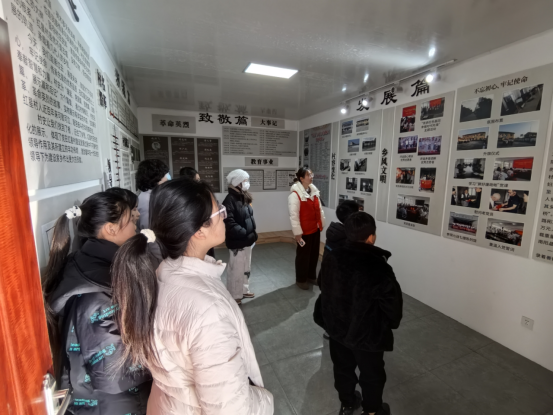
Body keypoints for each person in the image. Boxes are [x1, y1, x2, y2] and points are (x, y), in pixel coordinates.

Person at [111, 179, 274, 414]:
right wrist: (265, 399)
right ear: (199, 230)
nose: (225, 215)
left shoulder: (161, 275)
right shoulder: (208, 310)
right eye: (219, 210)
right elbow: (232, 409)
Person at [41, 193, 152, 415]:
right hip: (113, 404)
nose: (136, 225)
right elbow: (112, 374)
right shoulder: (97, 290)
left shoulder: (97, 266)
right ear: (111, 229)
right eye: (130, 220)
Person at [315, 212, 402, 415]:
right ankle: (371, 411)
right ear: (371, 237)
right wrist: (390, 324)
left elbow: (322, 285)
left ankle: (347, 403)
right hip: (367, 334)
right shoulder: (378, 266)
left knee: (342, 368)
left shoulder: (332, 256)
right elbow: (392, 305)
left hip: (337, 328)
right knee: (371, 374)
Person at [222, 169, 257, 305]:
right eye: (245, 181)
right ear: (237, 182)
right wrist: (243, 233)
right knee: (236, 269)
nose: (247, 183)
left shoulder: (242, 196)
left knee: (245, 267)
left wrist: (251, 234)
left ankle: (244, 290)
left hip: (247, 240)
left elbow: (249, 217)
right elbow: (229, 222)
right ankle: (234, 294)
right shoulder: (229, 200)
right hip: (238, 241)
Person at [288, 167, 325, 290]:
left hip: (315, 229)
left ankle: (311, 276)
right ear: (301, 178)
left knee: (314, 254)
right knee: (303, 255)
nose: (311, 177)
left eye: (311, 174)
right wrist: (297, 233)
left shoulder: (314, 191)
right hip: (303, 232)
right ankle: (301, 279)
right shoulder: (295, 195)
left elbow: (319, 209)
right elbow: (294, 216)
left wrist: (321, 223)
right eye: (308, 175)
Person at [136, 159, 170, 230]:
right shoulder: (147, 200)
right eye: (165, 174)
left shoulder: (152, 195)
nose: (167, 178)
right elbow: (147, 227)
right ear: (156, 177)